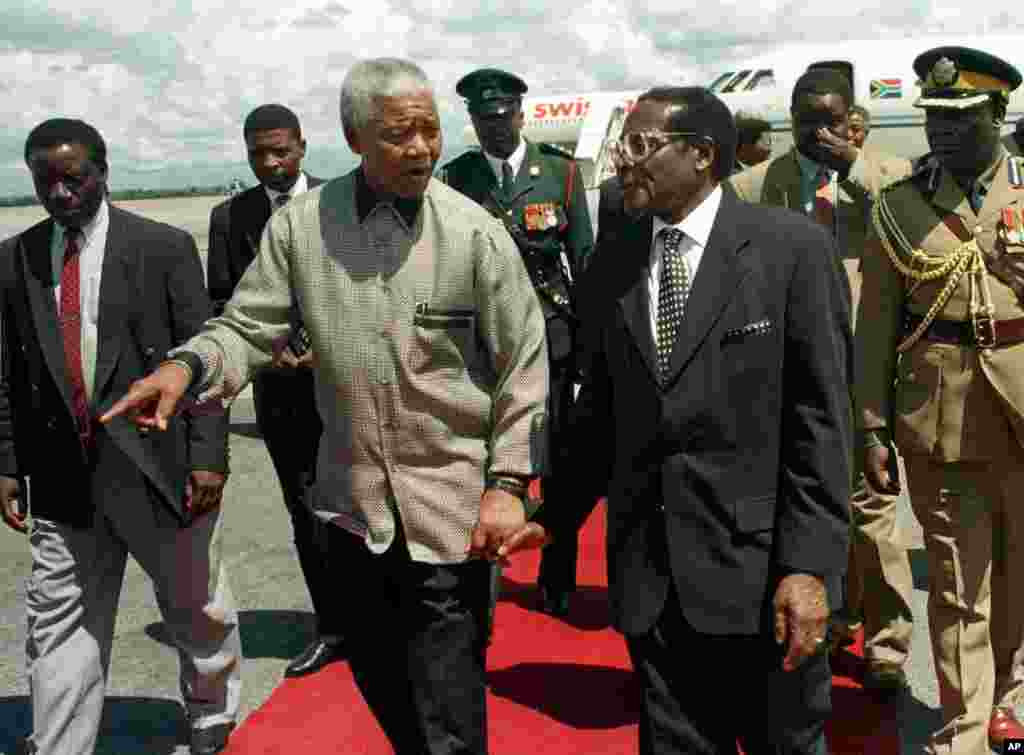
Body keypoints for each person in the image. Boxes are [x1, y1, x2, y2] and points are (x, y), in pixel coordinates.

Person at [101, 58, 548, 755]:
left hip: (451, 513)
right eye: (401, 133)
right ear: (354, 136)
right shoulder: (302, 230)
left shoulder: (474, 234)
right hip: (351, 511)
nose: (423, 148)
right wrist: (185, 367)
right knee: (379, 678)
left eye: (430, 130)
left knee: (450, 706)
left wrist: (509, 483)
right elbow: (247, 325)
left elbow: (525, 367)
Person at [505, 85, 854, 754]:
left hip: (763, 581)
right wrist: (553, 516)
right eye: (621, 144)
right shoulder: (617, 253)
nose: (622, 160)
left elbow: (823, 426)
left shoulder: (791, 252)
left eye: (639, 145)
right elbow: (602, 408)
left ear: (700, 155)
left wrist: (809, 568)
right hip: (652, 583)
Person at [0, 119, 240, 755]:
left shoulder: (161, 248)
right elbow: (7, 371)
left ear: (103, 173)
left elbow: (204, 356)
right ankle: (59, 743)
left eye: (73, 179)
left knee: (194, 609)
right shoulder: (13, 259)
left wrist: (209, 456)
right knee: (57, 623)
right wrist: (5, 461)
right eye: (44, 181)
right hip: (62, 480)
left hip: (159, 469)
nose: (60, 193)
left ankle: (211, 710)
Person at [729, 68, 916, 698]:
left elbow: (912, 224)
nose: (818, 133)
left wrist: (855, 167)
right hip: (793, 370)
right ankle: (836, 619)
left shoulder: (885, 178)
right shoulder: (759, 186)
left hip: (867, 370)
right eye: (806, 120)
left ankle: (888, 642)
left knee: (872, 512)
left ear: (852, 120)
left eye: (830, 120)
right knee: (812, 504)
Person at [858, 46, 1024, 753]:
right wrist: (870, 426)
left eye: (959, 118)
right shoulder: (900, 207)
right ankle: (965, 723)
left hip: (1021, 408)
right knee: (959, 578)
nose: (942, 132)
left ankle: (1012, 699)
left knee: (1020, 567)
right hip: (942, 417)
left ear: (997, 114)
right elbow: (873, 330)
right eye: (933, 119)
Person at [440, 68, 593, 619]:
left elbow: (585, 260)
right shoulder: (455, 181)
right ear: (474, 122)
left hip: (551, 340)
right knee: (482, 463)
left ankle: (557, 576)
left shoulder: (560, 173)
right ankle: (480, 576)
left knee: (554, 462)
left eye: (502, 117)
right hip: (483, 347)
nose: (495, 128)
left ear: (520, 115)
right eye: (484, 119)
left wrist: (589, 350)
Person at [206, 104, 342, 678]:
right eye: (259, 153)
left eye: (281, 150)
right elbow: (222, 302)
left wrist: (330, 342)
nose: (271, 163)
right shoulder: (229, 217)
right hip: (282, 392)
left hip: (350, 383)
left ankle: (388, 617)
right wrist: (270, 348)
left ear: (303, 147)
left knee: (371, 501)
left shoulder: (344, 201)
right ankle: (334, 625)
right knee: (306, 509)